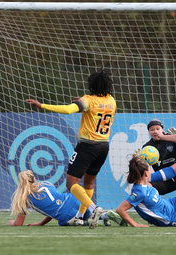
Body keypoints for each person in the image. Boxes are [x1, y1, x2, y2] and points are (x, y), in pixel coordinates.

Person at [26, 69, 116, 229]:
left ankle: (94, 209)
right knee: (89, 183)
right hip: (103, 146)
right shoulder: (111, 100)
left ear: (92, 86)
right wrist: (80, 103)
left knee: (71, 183)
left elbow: (68, 110)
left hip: (88, 146)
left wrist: (41, 105)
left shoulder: (88, 100)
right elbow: (95, 108)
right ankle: (80, 217)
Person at [8, 170, 126, 227]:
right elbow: (53, 204)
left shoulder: (24, 199)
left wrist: (11, 223)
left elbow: (19, 223)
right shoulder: (46, 184)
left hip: (65, 214)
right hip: (74, 200)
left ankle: (92, 222)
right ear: (34, 179)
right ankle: (106, 215)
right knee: (87, 214)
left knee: (71, 222)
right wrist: (41, 223)